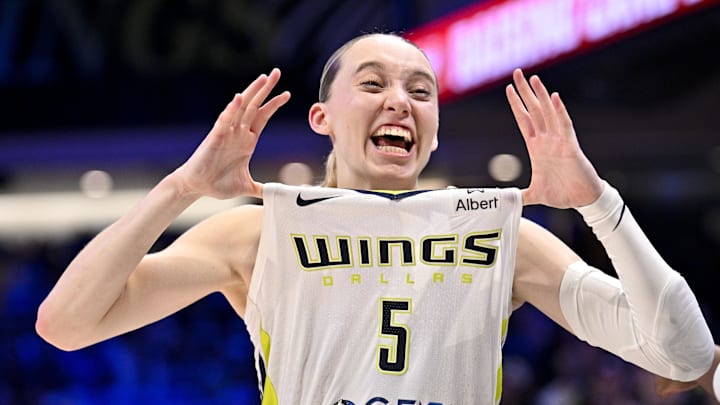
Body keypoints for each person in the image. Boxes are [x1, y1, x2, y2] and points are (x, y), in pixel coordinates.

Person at [35, 33, 719, 404]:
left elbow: (685, 355)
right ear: (323, 119)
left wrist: (598, 202)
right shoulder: (257, 230)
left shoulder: (503, 234)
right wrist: (181, 187)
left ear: (435, 131)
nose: (400, 101)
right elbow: (65, 322)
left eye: (421, 92)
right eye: (373, 83)